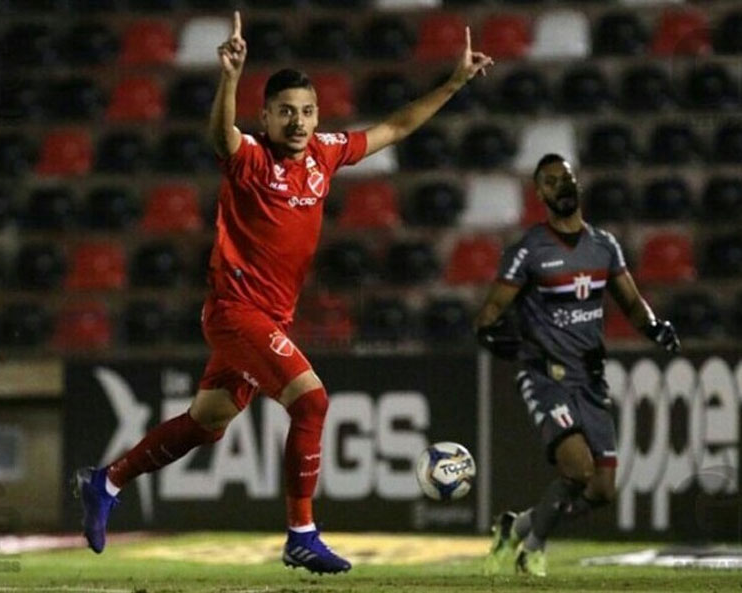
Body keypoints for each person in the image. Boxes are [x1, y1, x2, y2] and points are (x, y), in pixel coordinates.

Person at [75, 11, 493, 574]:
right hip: (235, 311)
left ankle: (107, 481)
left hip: (268, 318)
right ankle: (301, 532)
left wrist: (453, 83)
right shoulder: (250, 159)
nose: (298, 122)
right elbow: (218, 136)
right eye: (286, 113)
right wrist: (229, 77)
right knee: (312, 401)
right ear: (265, 116)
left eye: (307, 112)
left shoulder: (325, 154)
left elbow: (394, 128)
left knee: (207, 421)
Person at [474, 154, 680, 577]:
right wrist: (492, 334)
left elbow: (631, 302)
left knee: (601, 490)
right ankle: (531, 551)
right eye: (550, 182)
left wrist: (656, 328)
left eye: (565, 178)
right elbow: (491, 310)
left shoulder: (603, 245)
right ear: (540, 194)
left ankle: (520, 525)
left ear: (577, 185)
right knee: (577, 468)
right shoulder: (529, 249)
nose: (561, 186)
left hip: (590, 377)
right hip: (545, 376)